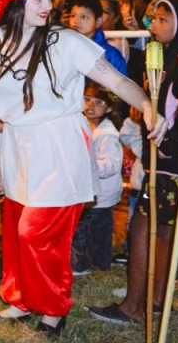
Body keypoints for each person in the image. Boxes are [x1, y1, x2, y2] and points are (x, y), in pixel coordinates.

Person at [0, 0, 161, 338]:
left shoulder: (66, 41)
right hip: (15, 143)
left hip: (59, 145)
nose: (49, 6)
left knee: (37, 233)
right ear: (16, 2)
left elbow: (114, 78)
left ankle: (52, 309)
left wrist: (145, 104)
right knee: (14, 230)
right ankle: (20, 300)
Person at [88, 0, 178, 325]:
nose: (154, 25)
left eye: (163, 20)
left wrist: (168, 143)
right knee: (156, 229)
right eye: (154, 18)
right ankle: (153, 300)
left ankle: (135, 306)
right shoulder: (165, 57)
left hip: (174, 161)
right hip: (161, 158)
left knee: (148, 228)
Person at [72, 82, 123, 276]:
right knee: (83, 228)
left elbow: (111, 165)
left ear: (109, 108)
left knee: (97, 232)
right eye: (87, 99)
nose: (90, 105)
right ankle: (82, 263)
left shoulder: (107, 134)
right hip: (88, 191)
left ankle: (99, 267)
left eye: (98, 102)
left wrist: (85, 168)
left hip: (102, 195)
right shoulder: (85, 125)